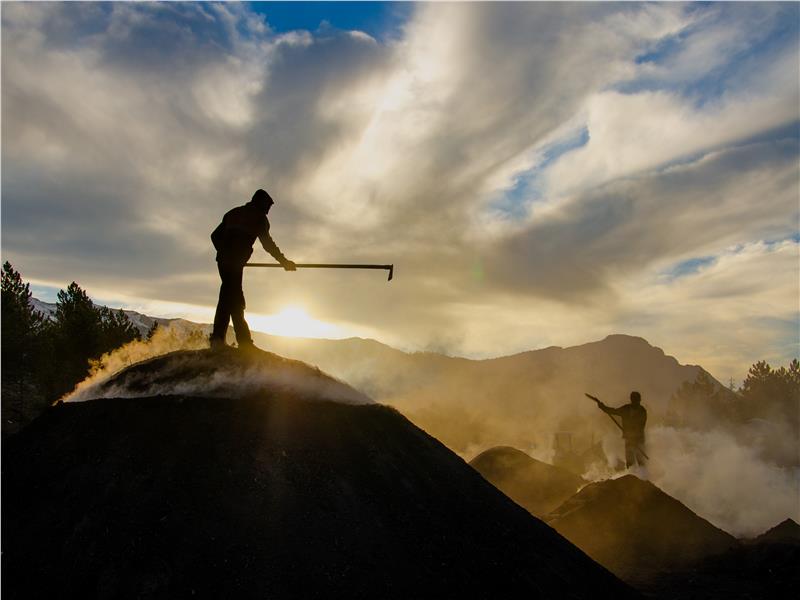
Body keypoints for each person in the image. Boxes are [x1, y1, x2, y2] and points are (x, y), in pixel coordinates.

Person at [209, 189, 296, 350]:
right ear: (261, 203)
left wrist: (223, 252)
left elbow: (214, 236)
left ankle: (221, 339)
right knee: (234, 299)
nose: (268, 211)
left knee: (229, 296)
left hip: (223, 262)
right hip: (234, 263)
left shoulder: (233, 213)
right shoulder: (259, 219)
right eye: (268, 207)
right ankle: (239, 342)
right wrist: (284, 262)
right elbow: (268, 244)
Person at [597, 391, 648, 468]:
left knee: (640, 460)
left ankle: (643, 477)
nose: (636, 402)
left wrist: (634, 436)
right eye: (634, 400)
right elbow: (613, 411)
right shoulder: (626, 409)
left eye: (637, 400)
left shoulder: (642, 411)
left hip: (638, 439)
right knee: (630, 460)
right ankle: (631, 475)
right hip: (628, 438)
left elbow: (641, 426)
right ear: (632, 400)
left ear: (639, 400)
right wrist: (603, 407)